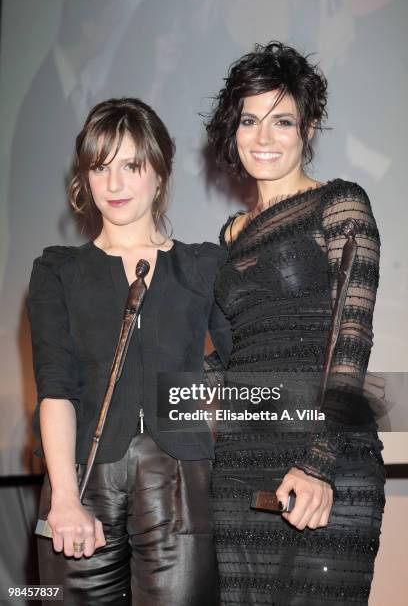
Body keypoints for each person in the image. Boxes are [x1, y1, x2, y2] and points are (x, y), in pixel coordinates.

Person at [27, 97, 232, 606]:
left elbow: (240, 367)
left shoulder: (203, 266)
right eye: (100, 167)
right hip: (82, 483)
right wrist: (67, 502)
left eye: (131, 166)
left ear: (159, 173)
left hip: (181, 484)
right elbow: (56, 389)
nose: (114, 184)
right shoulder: (58, 270)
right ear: (85, 178)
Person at [204, 42, 385, 605]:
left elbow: (351, 339)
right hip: (238, 471)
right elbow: (227, 357)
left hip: (320, 462)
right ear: (232, 130)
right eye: (249, 120)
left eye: (282, 121)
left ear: (308, 127)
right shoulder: (229, 235)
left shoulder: (340, 205)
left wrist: (318, 465)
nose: (263, 138)